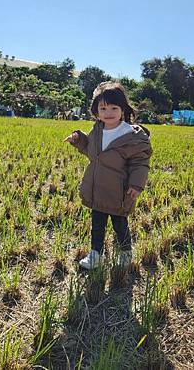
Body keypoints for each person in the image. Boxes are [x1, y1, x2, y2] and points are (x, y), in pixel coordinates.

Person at [65, 81, 152, 269]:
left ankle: (125, 253)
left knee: (120, 225)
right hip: (97, 188)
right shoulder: (98, 129)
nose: (109, 112)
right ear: (96, 111)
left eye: (114, 107)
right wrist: (79, 140)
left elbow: (140, 163)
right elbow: (91, 152)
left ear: (123, 110)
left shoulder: (132, 135)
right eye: (103, 108)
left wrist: (136, 185)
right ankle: (96, 255)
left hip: (118, 192)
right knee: (97, 225)